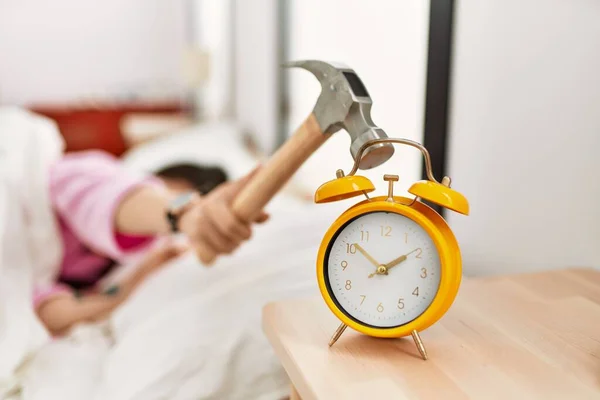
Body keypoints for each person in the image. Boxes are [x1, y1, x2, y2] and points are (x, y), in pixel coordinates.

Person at [36, 151, 266, 336]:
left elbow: (48, 313)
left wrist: (126, 288)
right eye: (176, 193)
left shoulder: (122, 260)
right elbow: (107, 197)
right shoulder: (92, 173)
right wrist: (185, 212)